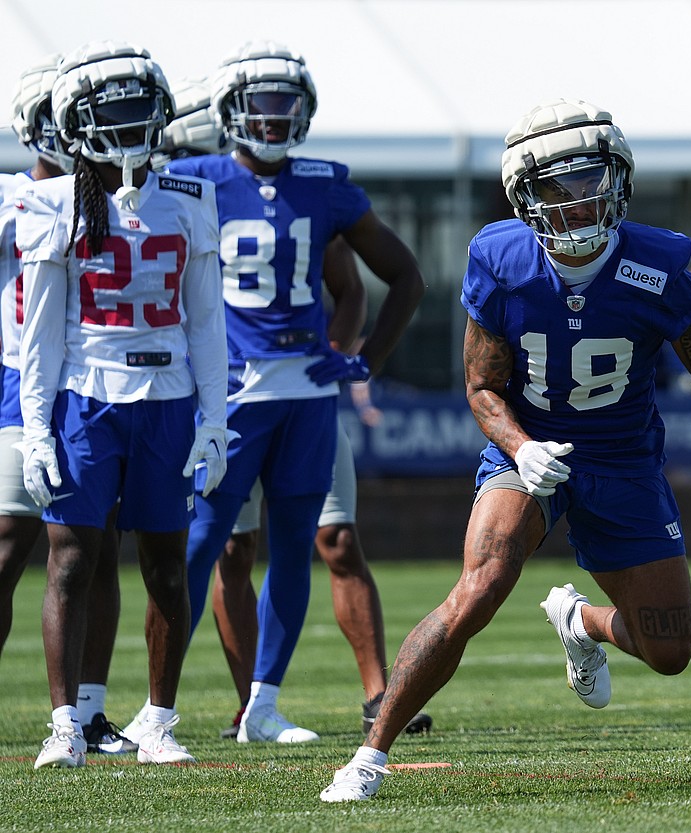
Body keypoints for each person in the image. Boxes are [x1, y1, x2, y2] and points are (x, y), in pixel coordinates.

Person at [319, 98, 691, 802]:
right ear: (526, 196)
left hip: (622, 458)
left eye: (591, 182)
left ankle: (579, 620)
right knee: (479, 587)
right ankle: (369, 756)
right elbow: (482, 386)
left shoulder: (657, 263)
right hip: (529, 452)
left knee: (669, 650)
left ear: (619, 178)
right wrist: (521, 450)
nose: (580, 202)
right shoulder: (501, 261)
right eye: (560, 187)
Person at [154, 41, 423, 744]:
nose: (273, 120)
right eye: (260, 105)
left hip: (306, 390)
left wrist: (361, 359)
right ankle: (157, 712)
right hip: (232, 393)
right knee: (201, 543)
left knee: (300, 542)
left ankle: (265, 705)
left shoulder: (324, 183)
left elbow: (403, 275)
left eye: (286, 106)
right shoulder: (193, 177)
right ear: (229, 110)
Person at [16, 41, 228, 767]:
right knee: (71, 561)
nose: (134, 123)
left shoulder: (191, 201)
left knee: (167, 562)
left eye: (142, 107)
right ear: (77, 123)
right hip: (87, 397)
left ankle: (159, 721)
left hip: (167, 399)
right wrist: (38, 430)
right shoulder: (50, 202)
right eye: (117, 112)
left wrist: (216, 419)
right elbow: (40, 333)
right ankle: (66, 723)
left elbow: (206, 321)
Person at [0, 53, 134, 757]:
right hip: (17, 384)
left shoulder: (116, 194)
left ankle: (89, 711)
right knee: (7, 546)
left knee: (97, 549)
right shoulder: (13, 196)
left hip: (89, 386)